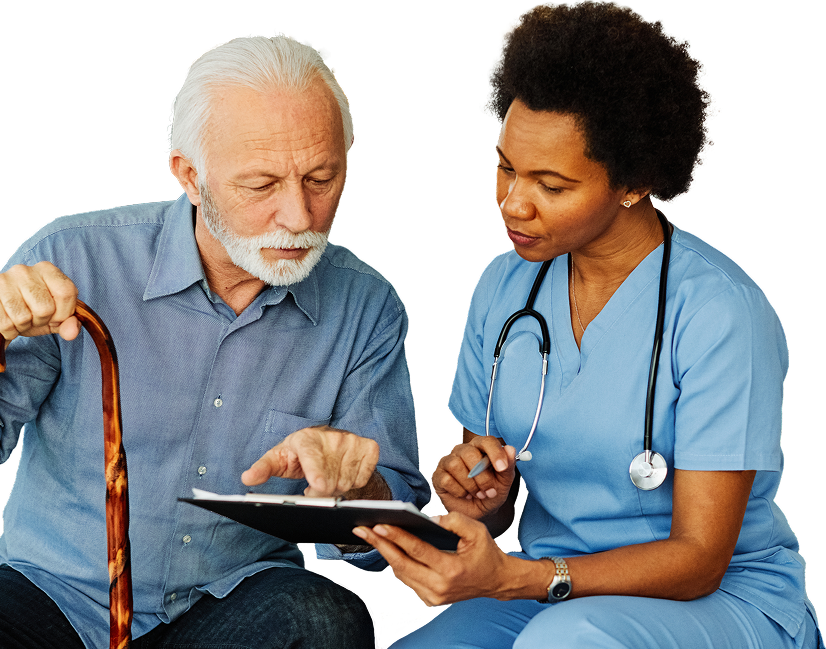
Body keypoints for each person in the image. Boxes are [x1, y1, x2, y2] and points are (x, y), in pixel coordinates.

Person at [352, 2, 823, 648]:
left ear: (634, 181)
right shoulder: (503, 287)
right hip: (546, 590)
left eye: (551, 184)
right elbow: (499, 507)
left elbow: (700, 558)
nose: (513, 202)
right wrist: (476, 495)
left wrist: (522, 577)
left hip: (720, 599)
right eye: (506, 167)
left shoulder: (720, 313)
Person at [0, 33, 429, 648]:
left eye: (321, 178)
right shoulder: (70, 258)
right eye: (261, 185)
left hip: (231, 613)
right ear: (191, 176)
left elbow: (397, 540)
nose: (300, 217)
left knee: (324, 618)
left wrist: (355, 492)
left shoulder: (367, 307)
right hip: (53, 597)